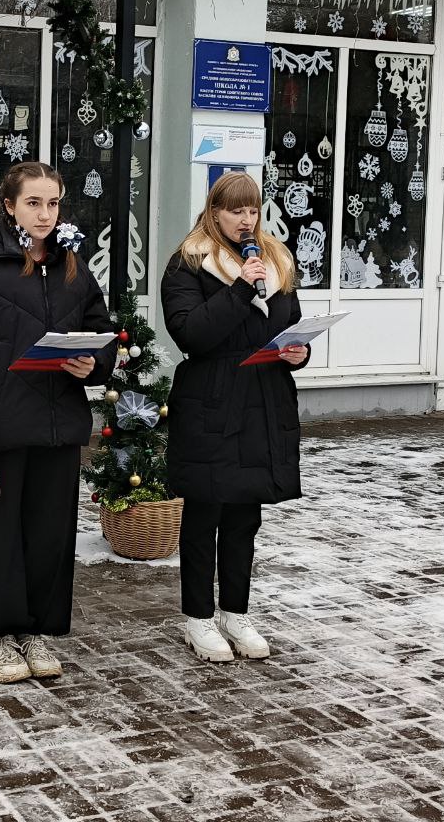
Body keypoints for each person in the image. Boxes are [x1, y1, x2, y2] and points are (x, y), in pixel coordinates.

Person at [0, 161, 115, 684]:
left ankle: (37, 629)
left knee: (49, 536)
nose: (44, 214)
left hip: (58, 427)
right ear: (9, 205)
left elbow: (100, 331)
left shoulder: (72, 266)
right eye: (33, 203)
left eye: (53, 203)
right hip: (0, 428)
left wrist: (94, 364)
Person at [160, 170, 310, 663]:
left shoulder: (277, 259)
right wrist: (240, 290)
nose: (246, 222)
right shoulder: (189, 263)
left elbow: (292, 325)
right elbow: (193, 335)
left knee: (246, 514)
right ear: (214, 212)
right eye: (236, 211)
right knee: (205, 514)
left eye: (253, 211)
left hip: (264, 399)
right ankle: (198, 619)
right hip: (211, 401)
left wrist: (299, 353)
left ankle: (235, 612)